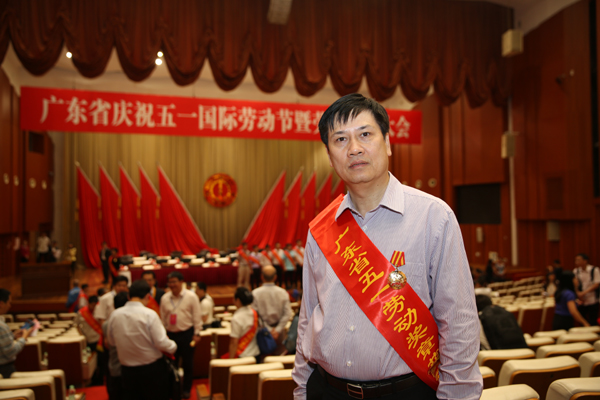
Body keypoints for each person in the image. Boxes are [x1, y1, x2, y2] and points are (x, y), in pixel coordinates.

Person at [293, 94, 482, 399]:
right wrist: (301, 390)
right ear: (329, 155)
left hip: (405, 392)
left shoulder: (433, 217)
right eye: (340, 139)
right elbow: (308, 319)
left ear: (388, 142)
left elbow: (459, 323)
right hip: (326, 391)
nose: (354, 148)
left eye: (365, 134)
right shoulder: (321, 230)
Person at [107, 280, 177, 400]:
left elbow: (112, 342)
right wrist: (173, 346)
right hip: (151, 370)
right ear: (147, 296)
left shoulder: (114, 315)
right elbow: (161, 342)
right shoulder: (149, 314)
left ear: (128, 296)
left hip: (127, 371)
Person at [160, 271, 202, 399]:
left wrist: (197, 333)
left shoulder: (191, 296)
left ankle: (186, 389)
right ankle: (174, 390)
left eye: (174, 282)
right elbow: (162, 319)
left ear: (181, 282)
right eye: (170, 282)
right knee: (172, 365)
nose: (172, 285)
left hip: (187, 334)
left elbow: (197, 316)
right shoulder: (165, 298)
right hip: (170, 335)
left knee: (188, 364)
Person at [252, 265, 293, 347]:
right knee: (280, 354)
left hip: (262, 330)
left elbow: (255, 315)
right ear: (275, 277)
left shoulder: (255, 293)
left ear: (261, 277)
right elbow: (288, 313)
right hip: (278, 331)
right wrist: (277, 330)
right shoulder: (283, 292)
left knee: (264, 353)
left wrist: (269, 330)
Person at [0, 289, 33, 378]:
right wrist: (24, 337)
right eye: (9, 303)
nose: (10, 306)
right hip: (5, 370)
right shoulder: (1, 326)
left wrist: (13, 336)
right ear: (1, 304)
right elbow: (11, 351)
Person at [104, 292, 129, 400]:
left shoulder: (107, 323)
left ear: (114, 305)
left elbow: (107, 344)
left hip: (114, 366)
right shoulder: (133, 321)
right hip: (131, 367)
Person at [226, 287, 259, 360]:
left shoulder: (236, 318)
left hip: (242, 356)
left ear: (237, 300)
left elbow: (234, 342)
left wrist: (230, 361)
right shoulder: (254, 313)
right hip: (256, 355)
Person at [573, 253, 600, 326]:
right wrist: (578, 293)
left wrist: (584, 293)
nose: (576, 262)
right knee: (582, 320)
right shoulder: (576, 271)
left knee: (593, 320)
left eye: (578, 260)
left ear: (585, 261)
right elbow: (575, 284)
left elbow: (597, 284)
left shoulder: (594, 270)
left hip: (592, 299)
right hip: (581, 300)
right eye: (576, 260)